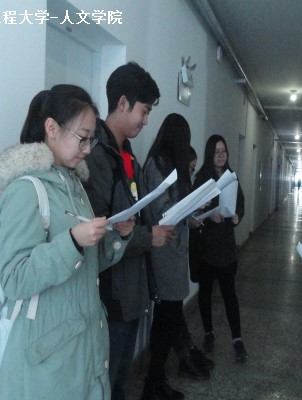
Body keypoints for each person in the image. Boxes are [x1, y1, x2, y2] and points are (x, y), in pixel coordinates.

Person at [0, 84, 135, 399]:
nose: (87, 149)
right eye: (83, 138)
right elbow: (14, 278)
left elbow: (84, 265)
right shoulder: (24, 190)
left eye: (91, 139)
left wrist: (118, 236)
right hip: (46, 363)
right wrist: (72, 241)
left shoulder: (75, 186)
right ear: (52, 128)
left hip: (82, 350)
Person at [83, 62, 176, 400]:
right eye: (144, 111)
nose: (146, 120)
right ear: (122, 103)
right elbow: (99, 229)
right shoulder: (97, 157)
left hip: (132, 287)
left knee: (121, 379)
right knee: (107, 382)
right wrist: (148, 237)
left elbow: (129, 215)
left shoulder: (127, 156)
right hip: (112, 292)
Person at [140, 113, 195, 399]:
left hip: (173, 251)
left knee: (168, 317)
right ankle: (153, 383)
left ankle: (156, 380)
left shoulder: (167, 164)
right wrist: (187, 205)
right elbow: (162, 210)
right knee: (167, 317)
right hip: (163, 251)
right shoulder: (156, 165)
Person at [192, 135, 247, 362]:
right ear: (209, 154)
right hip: (205, 248)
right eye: (217, 152)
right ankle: (208, 333)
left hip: (225, 247)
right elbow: (193, 210)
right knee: (205, 293)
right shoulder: (201, 179)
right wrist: (208, 215)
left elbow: (240, 204)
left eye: (224, 151)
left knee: (229, 294)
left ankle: (237, 338)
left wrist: (237, 217)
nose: (221, 155)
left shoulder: (231, 178)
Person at [170, 146, 215, 380]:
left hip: (177, 253)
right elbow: (168, 217)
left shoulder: (182, 185)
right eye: (190, 168)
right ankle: (185, 356)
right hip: (167, 256)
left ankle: (189, 352)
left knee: (175, 310)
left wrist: (191, 219)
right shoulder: (171, 184)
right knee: (171, 312)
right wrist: (193, 211)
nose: (191, 173)